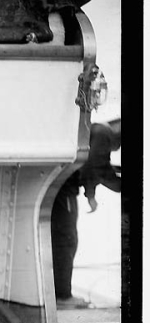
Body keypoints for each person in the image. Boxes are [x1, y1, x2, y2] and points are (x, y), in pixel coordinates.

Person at [51, 121, 121, 308]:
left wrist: (90, 193)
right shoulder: (104, 133)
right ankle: (62, 296)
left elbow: (92, 165)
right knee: (66, 239)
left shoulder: (98, 130)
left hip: (62, 186)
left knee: (63, 239)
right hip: (64, 187)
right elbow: (97, 166)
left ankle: (59, 292)